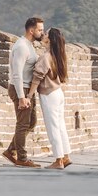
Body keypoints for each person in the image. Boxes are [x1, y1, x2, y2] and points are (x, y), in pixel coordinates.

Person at [27, 28, 72, 170]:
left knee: (53, 127)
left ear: (50, 40)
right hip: (58, 93)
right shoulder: (58, 56)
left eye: (45, 34)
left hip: (49, 95)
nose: (43, 35)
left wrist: (29, 95)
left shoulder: (46, 57)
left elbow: (37, 78)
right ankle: (65, 156)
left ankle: (58, 160)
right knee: (60, 125)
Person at [2, 17, 44, 168]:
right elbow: (17, 74)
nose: (42, 33)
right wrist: (21, 97)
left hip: (27, 89)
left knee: (31, 122)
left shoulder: (30, 45)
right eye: (40, 30)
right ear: (31, 30)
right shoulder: (21, 47)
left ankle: (10, 150)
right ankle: (22, 158)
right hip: (20, 88)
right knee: (23, 124)